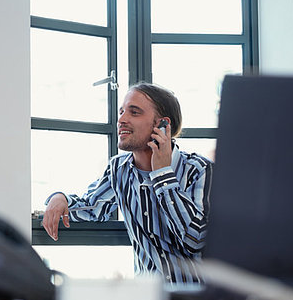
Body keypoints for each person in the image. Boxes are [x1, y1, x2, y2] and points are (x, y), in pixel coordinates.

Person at [42, 82, 213, 287]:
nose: (121, 119)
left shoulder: (199, 169)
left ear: (163, 125)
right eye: (122, 111)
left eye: (134, 112)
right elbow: (93, 207)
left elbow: (195, 241)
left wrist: (162, 175)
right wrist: (60, 199)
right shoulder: (119, 169)